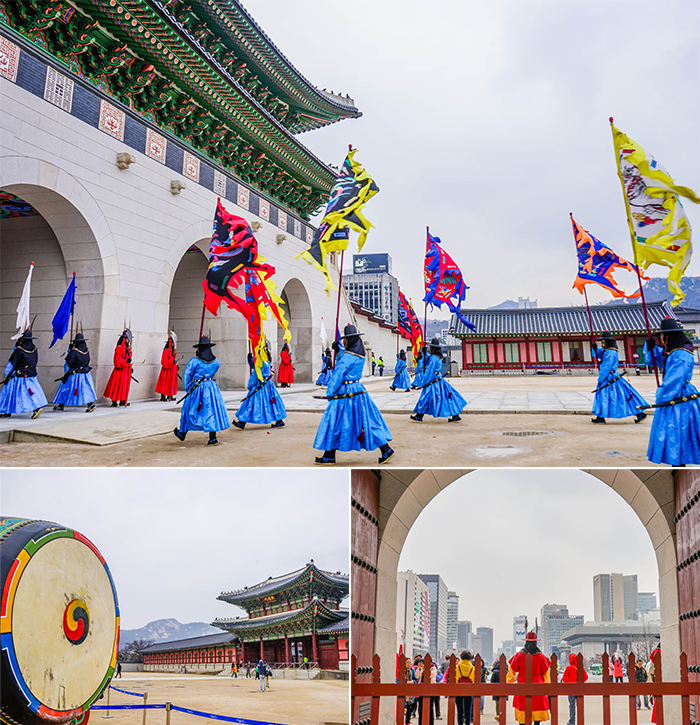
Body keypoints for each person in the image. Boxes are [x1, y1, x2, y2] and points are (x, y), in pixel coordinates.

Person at [313, 324, 394, 465]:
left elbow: (338, 375)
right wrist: (338, 351)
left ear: (349, 341)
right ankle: (385, 449)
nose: (344, 343)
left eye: (345, 341)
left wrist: (330, 392)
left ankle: (329, 455)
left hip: (345, 392)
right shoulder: (359, 355)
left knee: (334, 420)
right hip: (358, 389)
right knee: (367, 421)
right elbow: (346, 359)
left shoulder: (347, 357)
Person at [647, 318, 700, 466]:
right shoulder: (674, 352)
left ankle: (678, 461)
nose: (662, 339)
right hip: (676, 394)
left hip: (679, 396)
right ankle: (676, 460)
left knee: (677, 428)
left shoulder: (681, 354)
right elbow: (658, 362)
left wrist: (661, 396)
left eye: (663, 336)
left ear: (669, 336)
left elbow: (674, 379)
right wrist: (651, 348)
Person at [173, 336, 230, 446]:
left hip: (197, 387)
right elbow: (215, 369)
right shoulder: (216, 361)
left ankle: (182, 432)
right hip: (211, 387)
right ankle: (212, 437)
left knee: (190, 409)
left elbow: (187, 375)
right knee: (210, 410)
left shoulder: (195, 361)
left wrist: (189, 388)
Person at [590, 331, 648, 424]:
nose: (602, 343)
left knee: (607, 396)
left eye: (604, 341)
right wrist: (595, 349)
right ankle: (600, 415)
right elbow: (597, 354)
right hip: (613, 377)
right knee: (623, 395)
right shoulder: (607, 351)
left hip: (609, 377)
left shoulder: (610, 353)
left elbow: (606, 366)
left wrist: (601, 378)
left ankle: (639, 413)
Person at [411, 338, 466, 423]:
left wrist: (425, 381)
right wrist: (425, 353)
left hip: (433, 380)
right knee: (446, 397)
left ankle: (419, 415)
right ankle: (455, 415)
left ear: (433, 348)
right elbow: (427, 360)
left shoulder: (434, 358)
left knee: (425, 397)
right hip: (439, 379)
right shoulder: (438, 357)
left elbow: (430, 370)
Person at [232, 344, 286, 430]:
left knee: (250, 403)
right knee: (272, 403)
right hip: (268, 385)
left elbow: (256, 375)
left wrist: (250, 385)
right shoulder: (266, 361)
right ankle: (279, 420)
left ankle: (242, 422)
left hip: (261, 385)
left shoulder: (261, 362)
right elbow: (256, 368)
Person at [0, 330, 48, 419]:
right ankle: (37, 406)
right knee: (33, 392)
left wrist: (7, 373)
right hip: (31, 375)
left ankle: (6, 411)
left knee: (9, 393)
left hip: (18, 376)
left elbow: (11, 364)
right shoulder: (34, 350)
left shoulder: (19, 350)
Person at [507, 632, 551, 724]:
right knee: (536, 711)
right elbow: (547, 673)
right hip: (538, 687)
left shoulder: (519, 655)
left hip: (522, 687)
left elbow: (511, 669)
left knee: (522, 710)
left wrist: (510, 681)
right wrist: (547, 685)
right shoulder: (541, 656)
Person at [52, 332, 97, 413]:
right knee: (86, 389)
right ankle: (90, 405)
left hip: (74, 374)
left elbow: (68, 362)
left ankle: (61, 406)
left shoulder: (74, 351)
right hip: (85, 374)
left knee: (65, 388)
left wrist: (70, 351)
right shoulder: (86, 351)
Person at [103, 329, 133, 407]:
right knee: (117, 385)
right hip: (119, 370)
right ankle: (114, 401)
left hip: (126, 370)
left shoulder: (128, 348)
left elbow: (128, 358)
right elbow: (117, 361)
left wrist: (130, 367)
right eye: (127, 339)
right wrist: (126, 361)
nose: (128, 340)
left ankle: (123, 400)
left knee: (124, 385)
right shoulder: (119, 348)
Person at [561, 653, 588, 724]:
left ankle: (572, 720)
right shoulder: (580, 668)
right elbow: (586, 677)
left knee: (572, 704)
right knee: (579, 704)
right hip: (579, 689)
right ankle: (580, 719)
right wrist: (581, 683)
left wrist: (568, 684)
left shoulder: (568, 668)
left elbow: (564, 679)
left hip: (571, 689)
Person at [155, 332, 178, 401]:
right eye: (172, 343)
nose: (173, 344)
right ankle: (163, 396)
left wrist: (175, 364)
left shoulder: (172, 351)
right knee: (165, 382)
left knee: (172, 382)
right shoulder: (166, 351)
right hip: (167, 370)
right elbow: (164, 361)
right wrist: (171, 361)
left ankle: (170, 395)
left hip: (172, 369)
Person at [455, 650, 474, 725]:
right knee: (468, 709)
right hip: (469, 690)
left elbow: (456, 678)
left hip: (458, 690)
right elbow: (473, 679)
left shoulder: (457, 667)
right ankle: (467, 723)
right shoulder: (472, 668)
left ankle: (460, 723)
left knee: (459, 710)